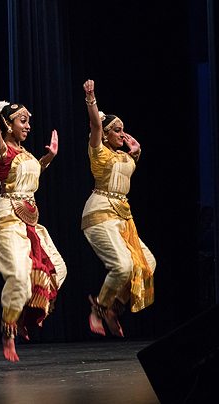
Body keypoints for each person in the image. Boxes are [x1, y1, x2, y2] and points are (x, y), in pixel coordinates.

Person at [0, 95, 67, 362]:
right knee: (19, 278)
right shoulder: (2, 149)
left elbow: (33, 172)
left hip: (29, 220)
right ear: (7, 123)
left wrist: (48, 158)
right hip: (6, 218)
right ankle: (8, 330)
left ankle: (24, 315)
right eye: (22, 121)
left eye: (28, 122)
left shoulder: (26, 154)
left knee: (58, 270)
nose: (27, 126)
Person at [82, 79, 156, 337]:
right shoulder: (99, 152)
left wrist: (137, 151)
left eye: (124, 129)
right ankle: (98, 310)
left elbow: (129, 165)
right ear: (105, 134)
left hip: (123, 218)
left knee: (148, 263)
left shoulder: (125, 157)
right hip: (100, 214)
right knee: (123, 266)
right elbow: (95, 125)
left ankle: (115, 307)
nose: (122, 134)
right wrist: (91, 98)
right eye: (116, 130)